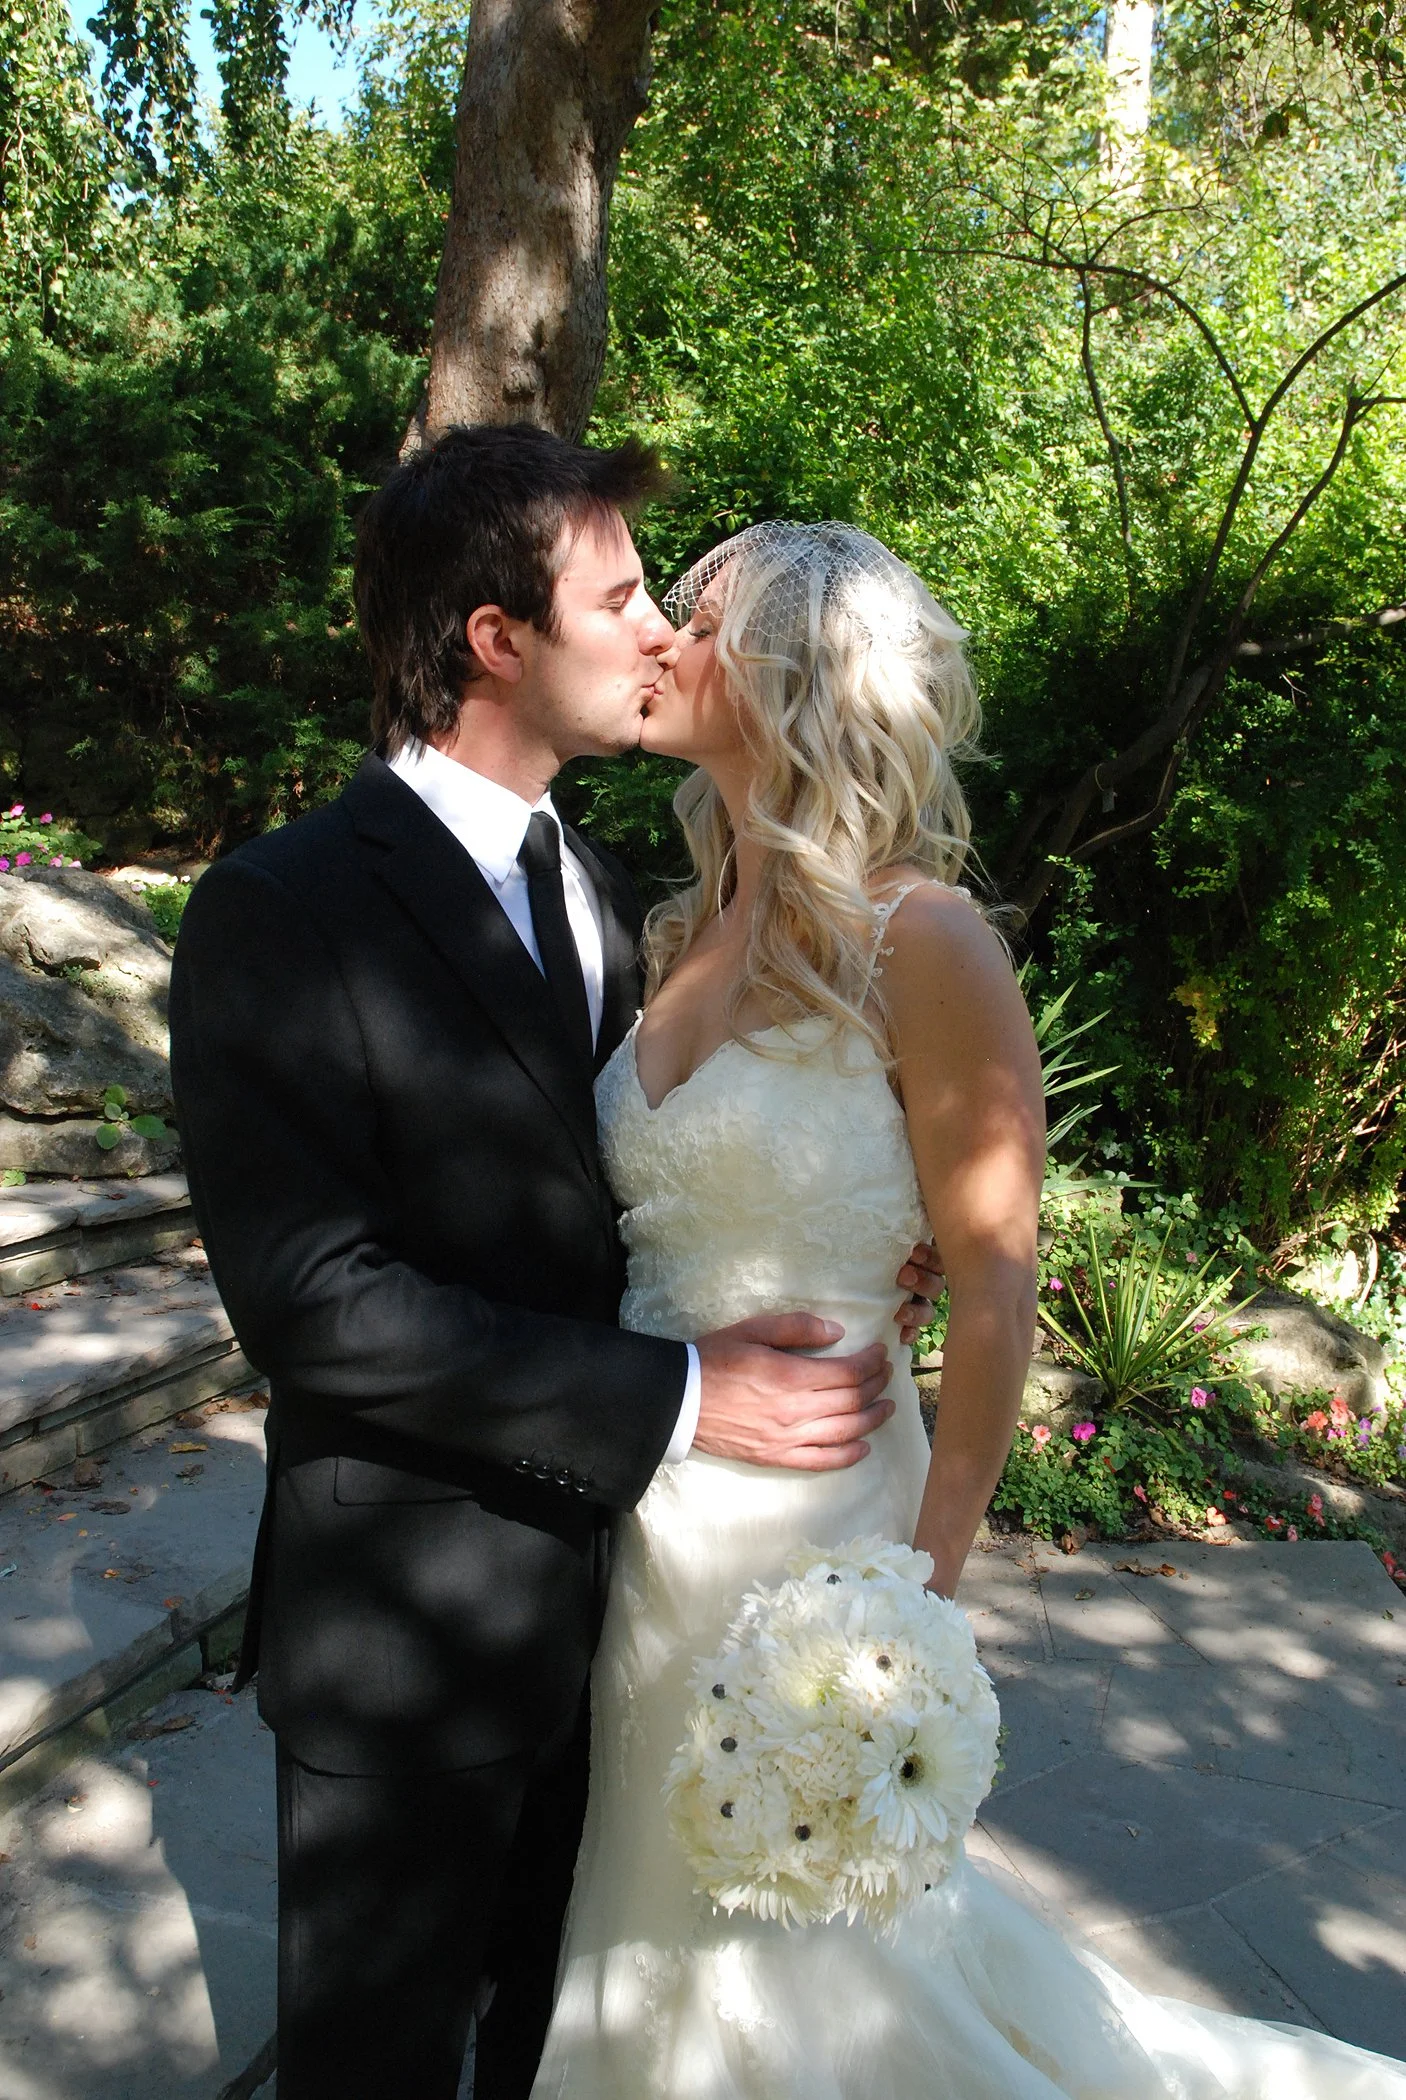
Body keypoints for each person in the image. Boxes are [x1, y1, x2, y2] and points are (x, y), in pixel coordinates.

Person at [528, 520, 1406, 2098]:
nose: (657, 634)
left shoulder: (919, 940)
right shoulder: (676, 925)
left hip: (815, 1539)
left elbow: (995, 1288)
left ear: (797, 674)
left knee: (807, 1960)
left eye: (701, 616)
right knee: (661, 1922)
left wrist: (915, 1605)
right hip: (645, 1511)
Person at [168, 429, 941, 2100]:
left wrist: (867, 1231)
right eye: (622, 595)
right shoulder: (284, 908)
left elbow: (646, 1190)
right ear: (496, 642)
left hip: (650, 1618)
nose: (664, 628)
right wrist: (684, 1389)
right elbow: (313, 1300)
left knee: (566, 2050)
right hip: (417, 1627)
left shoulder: (611, 895)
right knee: (371, 2069)